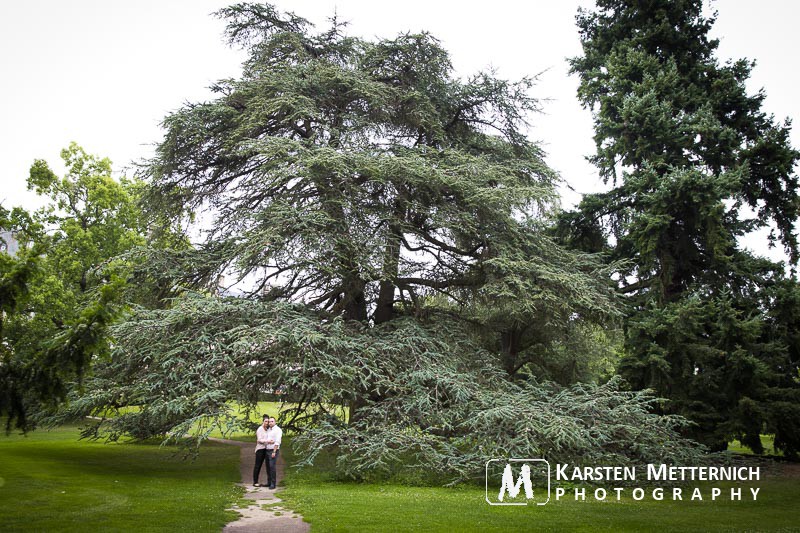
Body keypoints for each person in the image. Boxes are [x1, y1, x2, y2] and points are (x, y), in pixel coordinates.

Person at [264, 417, 283, 489]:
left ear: (275, 422)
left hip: (273, 450)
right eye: (269, 422)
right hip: (267, 450)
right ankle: (269, 482)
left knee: (272, 467)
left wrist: (274, 451)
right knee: (268, 467)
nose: (270, 423)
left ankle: (273, 483)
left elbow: (278, 441)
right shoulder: (269, 430)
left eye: (272, 421)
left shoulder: (278, 430)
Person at [253, 415, 270, 487]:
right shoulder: (260, 429)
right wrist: (267, 441)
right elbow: (259, 440)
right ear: (263, 421)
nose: (267, 423)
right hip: (260, 449)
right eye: (265, 421)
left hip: (266, 449)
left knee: (268, 466)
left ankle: (269, 482)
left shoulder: (268, 429)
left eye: (268, 421)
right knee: (258, 465)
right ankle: (255, 482)